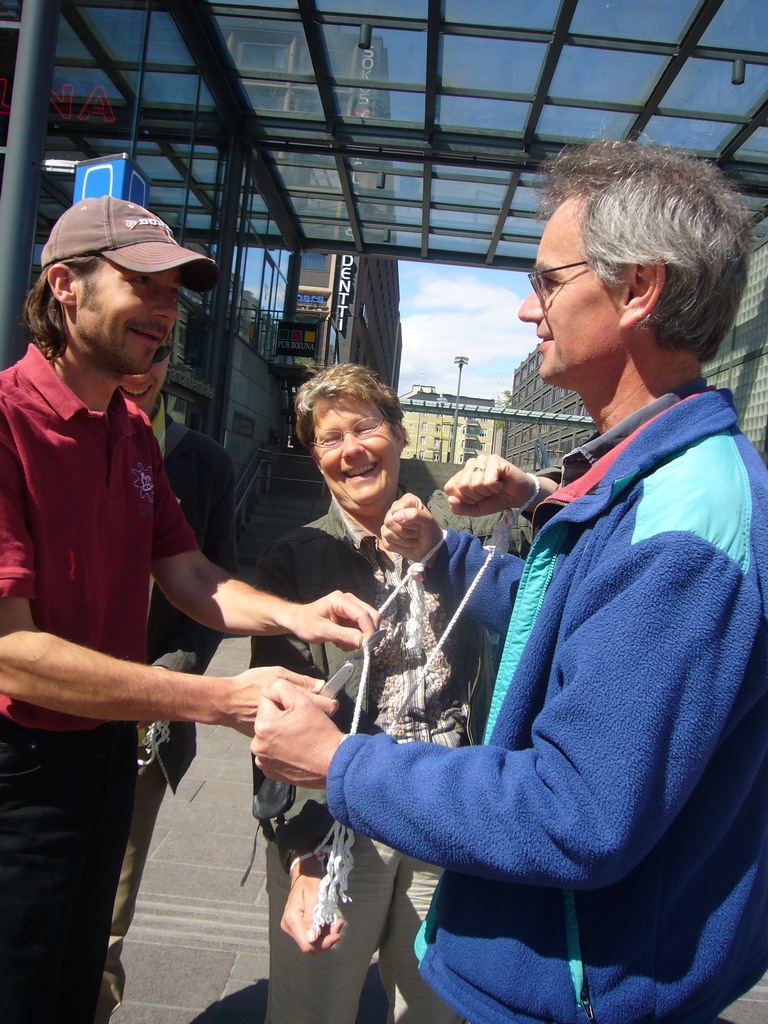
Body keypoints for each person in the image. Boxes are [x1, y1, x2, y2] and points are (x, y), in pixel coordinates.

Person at [252, 140, 768, 1024]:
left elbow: (575, 814)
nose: (530, 309)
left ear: (638, 289)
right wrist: (451, 554)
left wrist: (337, 764)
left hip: (578, 988)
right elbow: (559, 622)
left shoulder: (683, 517)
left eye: (547, 280)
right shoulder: (641, 485)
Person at [0, 195, 378, 1024]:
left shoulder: (128, 434)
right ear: (65, 286)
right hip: (17, 769)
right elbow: (12, 652)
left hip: (101, 754)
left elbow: (192, 575)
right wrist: (221, 700)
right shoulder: (6, 425)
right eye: (145, 285)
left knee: (75, 976)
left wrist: (299, 617)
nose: (168, 311)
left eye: (178, 292)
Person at [249, 363, 500, 1024]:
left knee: (434, 1008)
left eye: (365, 428)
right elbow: (282, 721)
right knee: (311, 1009)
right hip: (339, 818)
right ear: (314, 457)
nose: (351, 449)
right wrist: (303, 849)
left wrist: (520, 490)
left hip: (450, 808)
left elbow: (548, 573)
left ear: (398, 433)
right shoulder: (294, 560)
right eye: (330, 439)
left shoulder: (461, 526)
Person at [95, 346, 238, 1022]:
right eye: (125, 349)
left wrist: (175, 676)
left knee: (108, 904)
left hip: (143, 720)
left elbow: (209, 578)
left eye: (156, 354)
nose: (139, 368)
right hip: (40, 713)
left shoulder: (202, 462)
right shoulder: (45, 436)